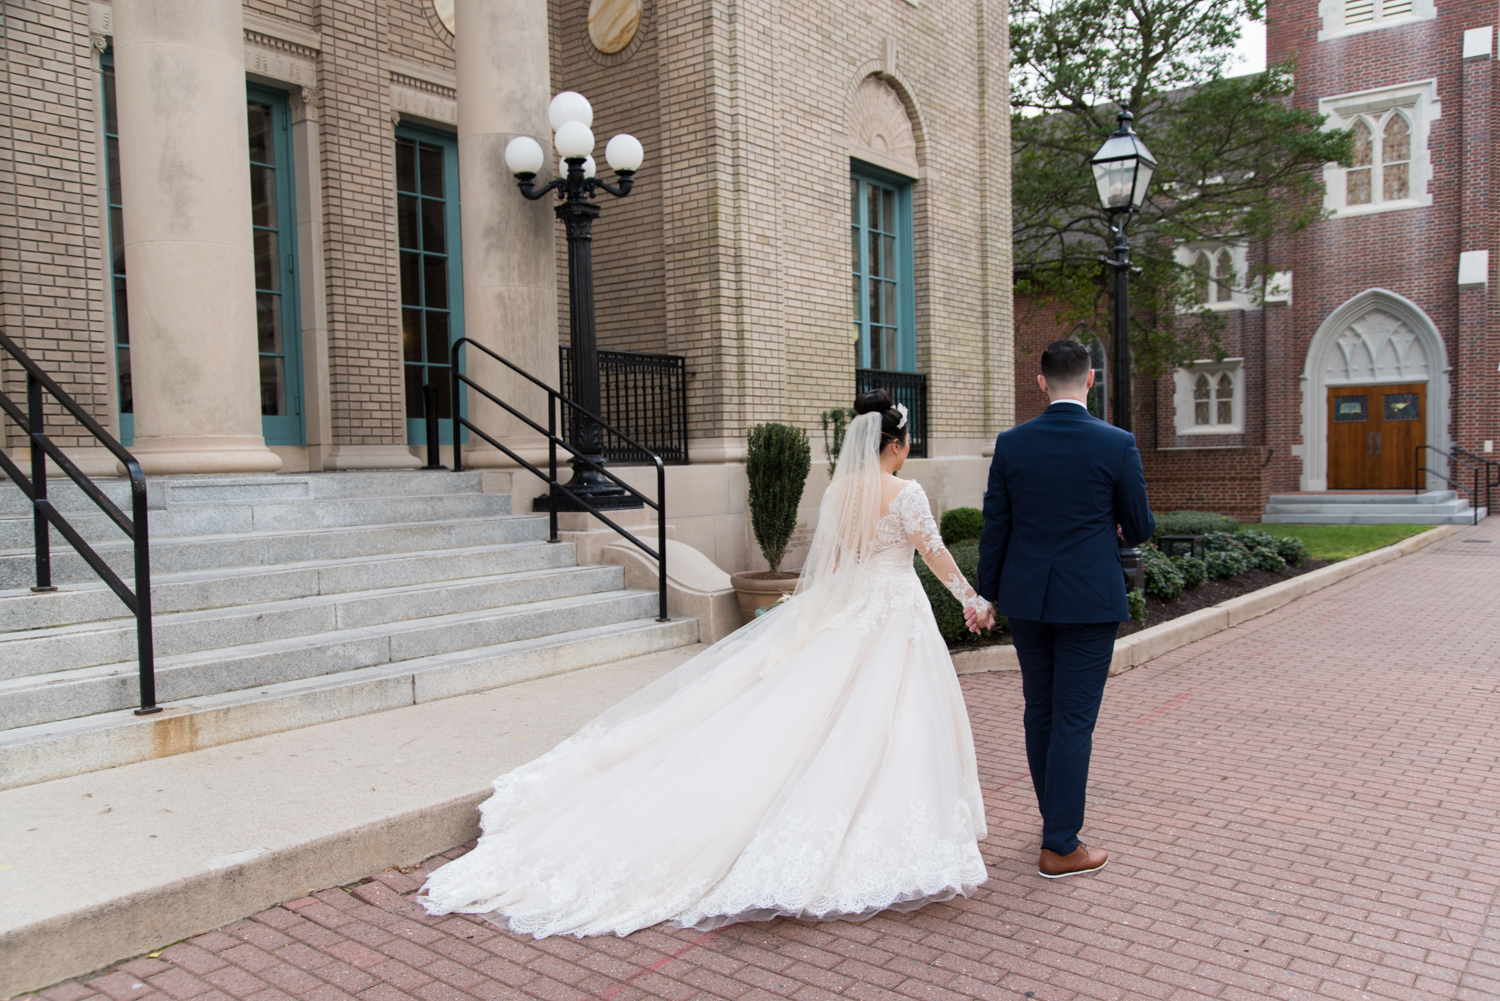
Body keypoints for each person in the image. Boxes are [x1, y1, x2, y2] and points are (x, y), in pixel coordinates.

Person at [420, 389, 993, 937]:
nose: (910, 447)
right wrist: (972, 601)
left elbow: (837, 564)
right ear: (895, 444)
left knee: (830, 714)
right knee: (887, 722)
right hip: (892, 613)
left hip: (851, 609)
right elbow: (935, 557)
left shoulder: (839, 493)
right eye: (908, 438)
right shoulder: (906, 493)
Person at [967, 339, 1154, 879]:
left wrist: (988, 593)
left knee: (1040, 711)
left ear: (1042, 382)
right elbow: (1139, 526)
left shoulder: (1012, 443)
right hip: (1089, 600)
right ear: (1091, 379)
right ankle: (1060, 845)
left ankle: (1055, 824)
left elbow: (996, 528)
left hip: (1028, 598)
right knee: (1072, 719)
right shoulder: (1117, 443)